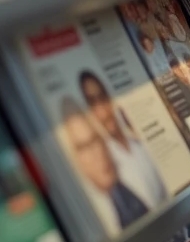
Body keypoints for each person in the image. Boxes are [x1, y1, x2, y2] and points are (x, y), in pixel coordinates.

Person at [77, 70, 167, 208]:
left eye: (103, 97)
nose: (102, 110)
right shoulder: (106, 166)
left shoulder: (140, 143)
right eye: (93, 102)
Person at [59, 97, 150, 230]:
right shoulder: (86, 220)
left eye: (96, 139)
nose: (98, 153)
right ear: (73, 160)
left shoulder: (139, 166)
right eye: (84, 147)